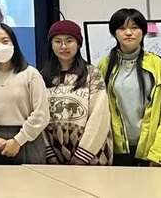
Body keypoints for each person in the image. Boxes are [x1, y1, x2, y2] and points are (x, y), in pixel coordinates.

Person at [97, 8, 161, 167]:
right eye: (122, 28)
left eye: (134, 28)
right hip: (118, 151)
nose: (128, 33)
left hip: (154, 151)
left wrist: (159, 154)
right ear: (114, 33)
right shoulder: (104, 66)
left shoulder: (159, 66)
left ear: (143, 32)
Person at [41, 20, 112, 165]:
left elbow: (100, 115)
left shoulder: (92, 74)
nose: (63, 46)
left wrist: (83, 155)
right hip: (55, 155)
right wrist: (48, 152)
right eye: (57, 41)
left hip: (91, 155)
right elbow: (38, 116)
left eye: (69, 41)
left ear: (78, 44)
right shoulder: (43, 76)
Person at [0, 23, 49, 164]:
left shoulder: (31, 74)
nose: (0, 46)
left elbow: (41, 114)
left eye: (5, 41)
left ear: (14, 44)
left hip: (27, 140)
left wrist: (18, 141)